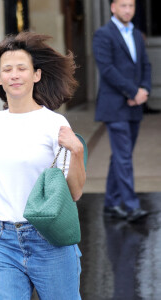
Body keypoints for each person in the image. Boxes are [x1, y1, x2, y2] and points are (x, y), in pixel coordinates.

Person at [0, 32, 86, 299]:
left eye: (21, 68)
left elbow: (76, 192)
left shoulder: (53, 124)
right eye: (7, 69)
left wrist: (77, 152)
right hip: (3, 239)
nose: (14, 75)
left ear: (36, 75)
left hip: (47, 239)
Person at [93, 0, 151, 222]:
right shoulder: (103, 34)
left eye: (131, 6)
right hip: (114, 105)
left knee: (120, 156)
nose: (128, 10)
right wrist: (132, 92)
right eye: (123, 5)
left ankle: (111, 202)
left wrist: (144, 89)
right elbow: (107, 69)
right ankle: (130, 205)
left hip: (135, 105)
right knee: (123, 156)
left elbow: (145, 64)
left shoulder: (137, 34)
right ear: (113, 7)